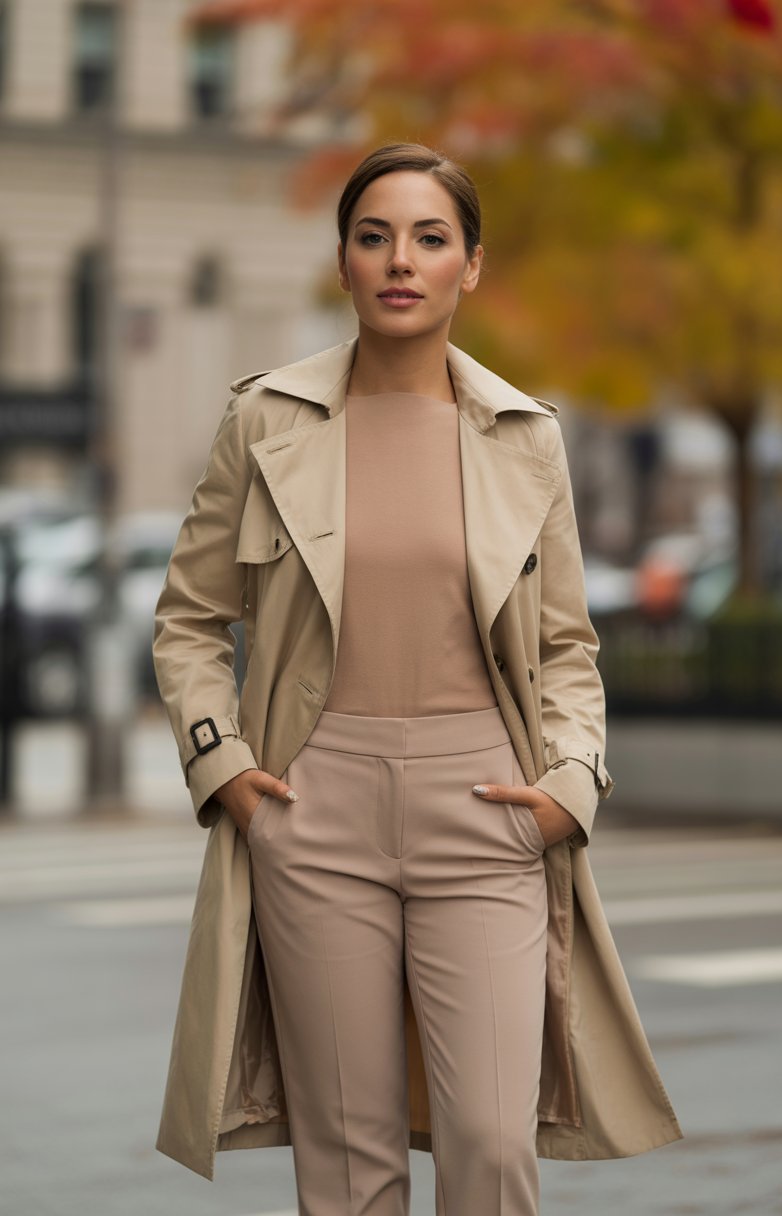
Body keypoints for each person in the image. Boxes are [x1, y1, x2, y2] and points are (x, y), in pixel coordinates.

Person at [153, 142, 681, 1215]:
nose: (401, 260)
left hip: (487, 809)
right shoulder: (263, 422)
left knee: (490, 1144)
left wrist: (566, 791)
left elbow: (567, 646)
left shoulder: (526, 438)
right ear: (344, 262)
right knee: (348, 1161)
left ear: (469, 267)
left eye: (429, 238)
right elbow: (190, 621)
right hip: (313, 806)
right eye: (373, 235)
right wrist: (229, 772)